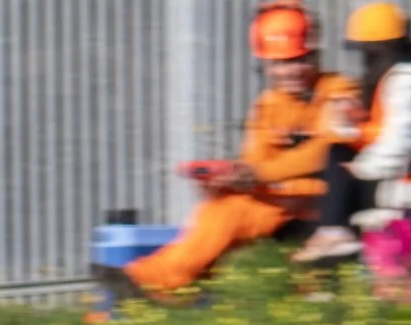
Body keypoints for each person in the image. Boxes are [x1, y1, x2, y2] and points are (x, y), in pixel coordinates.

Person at [118, 4, 357, 296]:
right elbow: (253, 165)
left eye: (298, 60)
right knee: (222, 205)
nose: (288, 71)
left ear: (315, 54)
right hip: (280, 209)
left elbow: (331, 148)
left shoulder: (340, 90)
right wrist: (227, 181)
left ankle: (156, 283)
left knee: (232, 212)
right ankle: (159, 284)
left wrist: (258, 173)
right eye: (278, 64)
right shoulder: (268, 105)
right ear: (265, 66)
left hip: (325, 209)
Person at [292, 3, 411, 265]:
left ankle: (331, 238)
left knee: (335, 162)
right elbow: (391, 131)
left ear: (382, 50)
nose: (364, 63)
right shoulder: (409, 78)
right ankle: (330, 237)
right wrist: (351, 128)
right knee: (335, 157)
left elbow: (402, 143)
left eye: (367, 54)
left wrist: (359, 168)